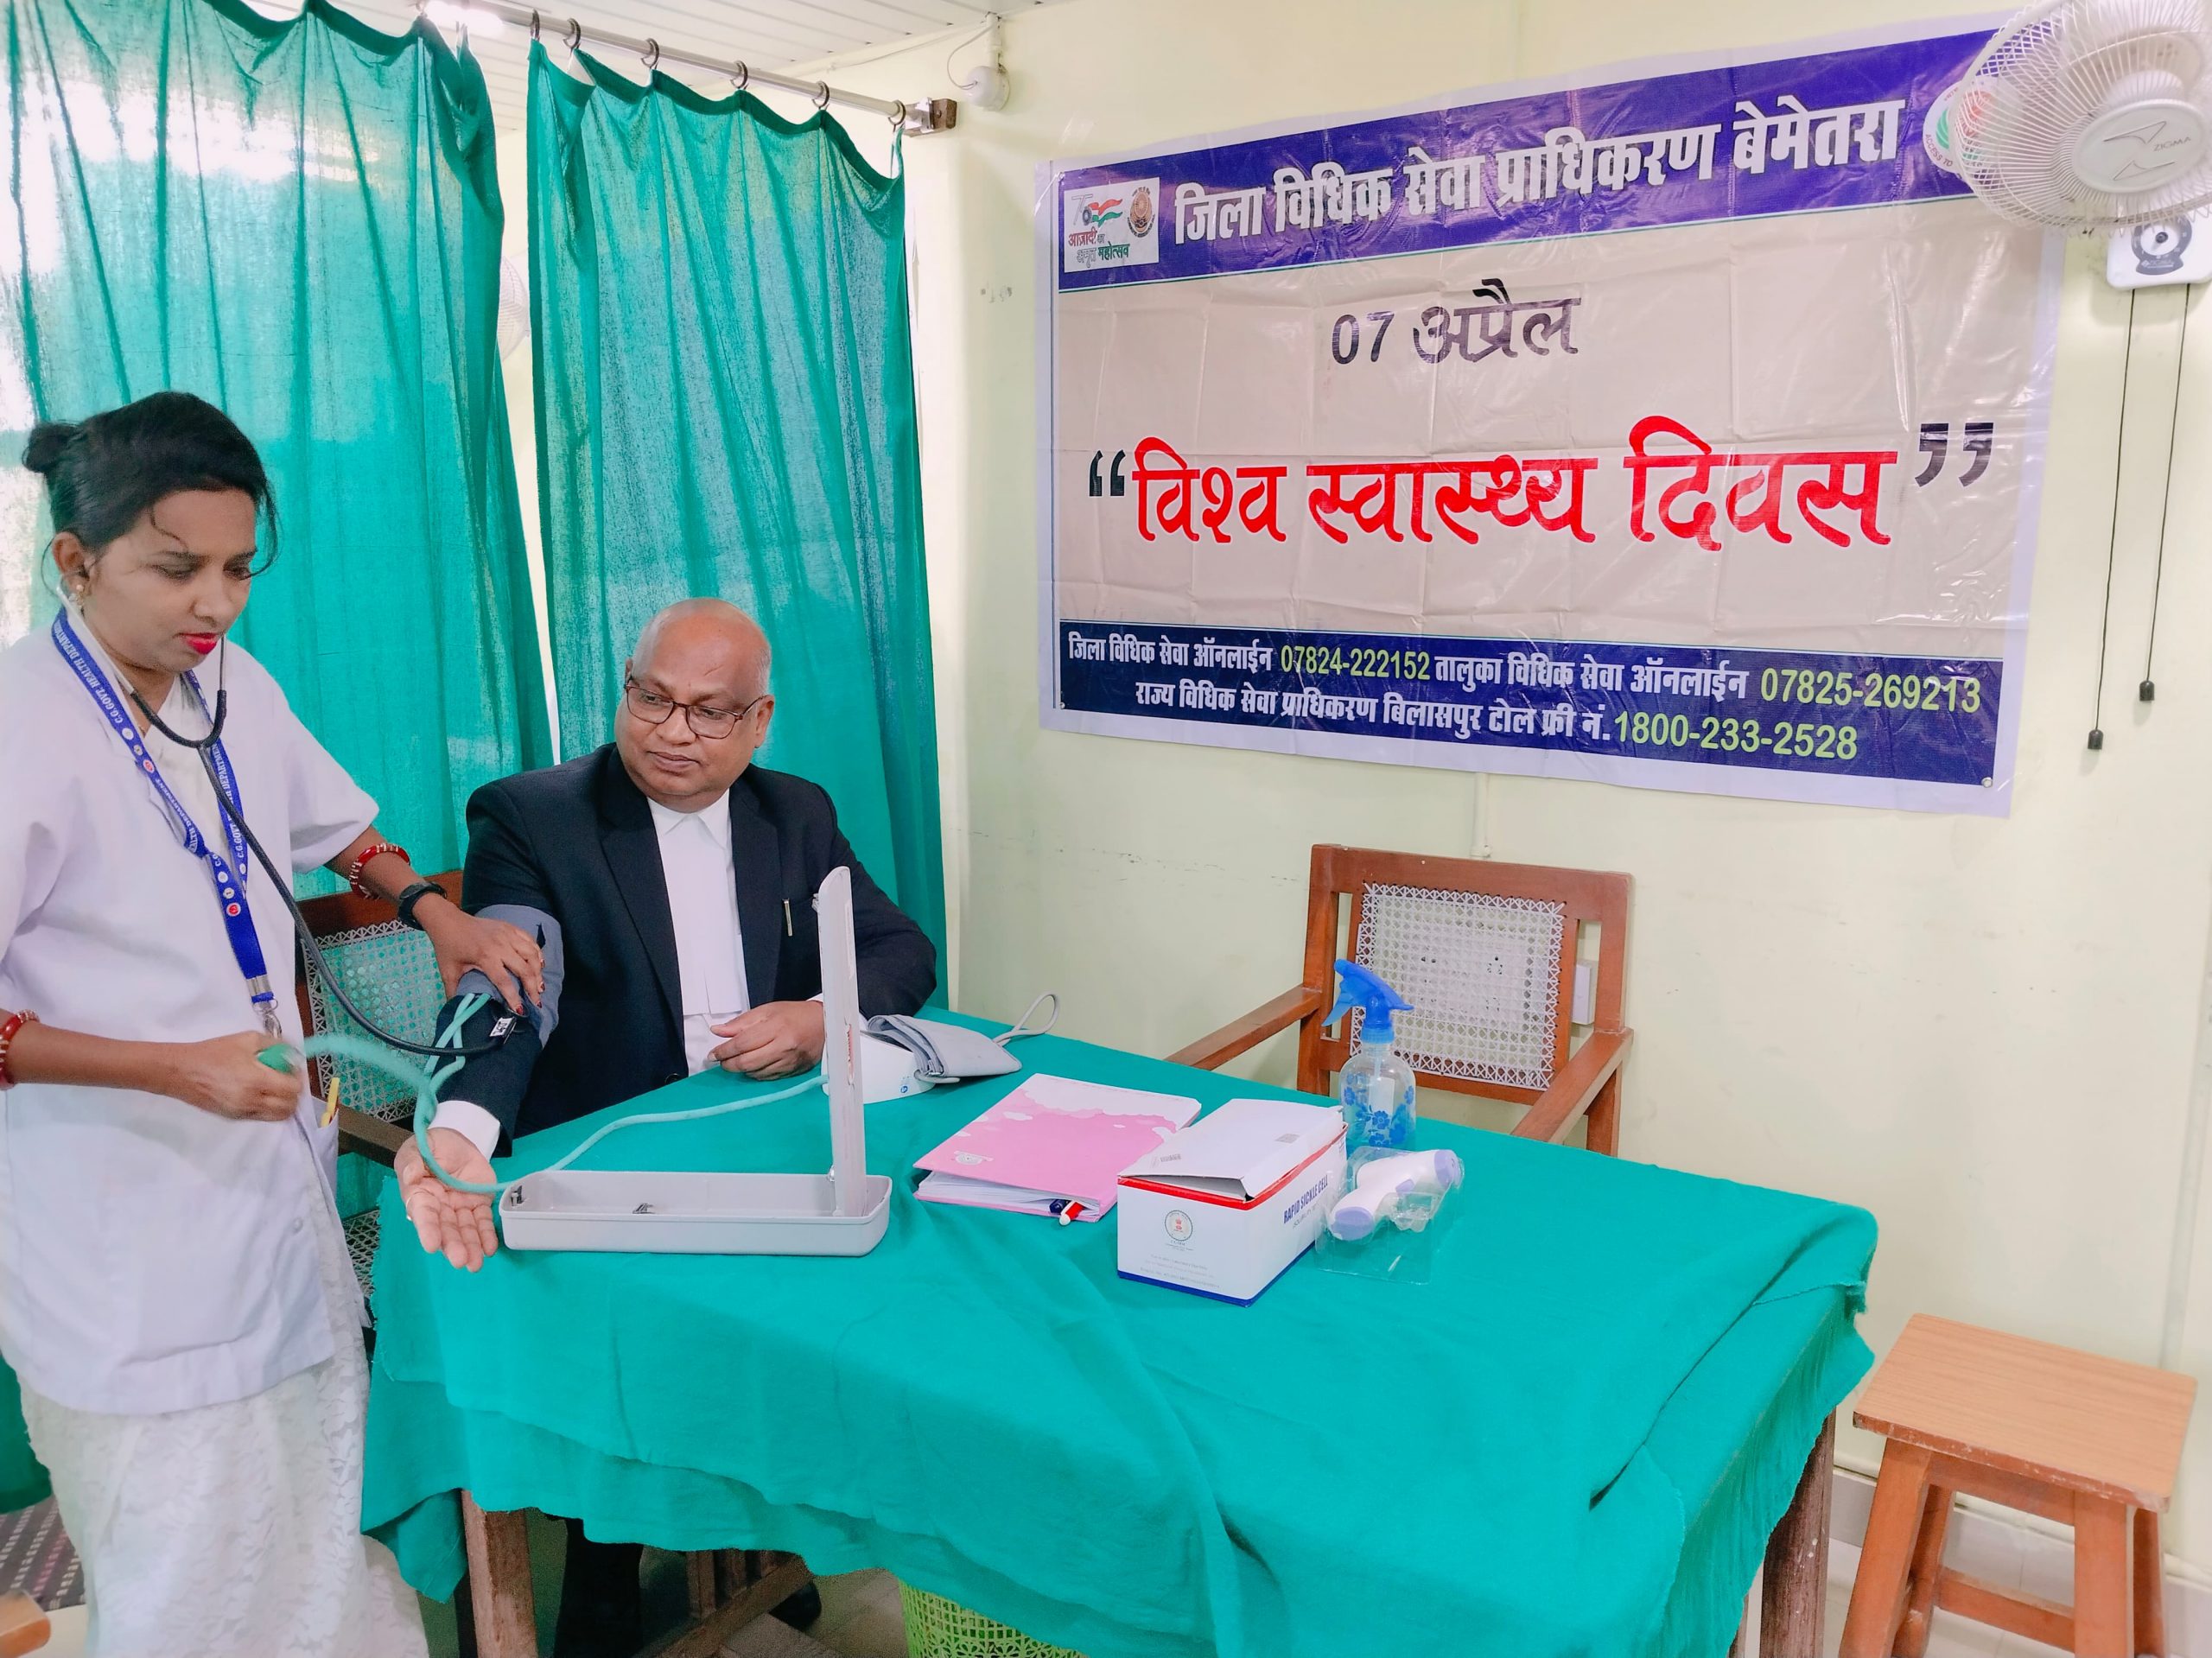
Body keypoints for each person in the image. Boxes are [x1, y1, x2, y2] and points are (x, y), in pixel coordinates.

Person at [0, 391, 543, 1656]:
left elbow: (335, 825)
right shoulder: (21, 727)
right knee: (183, 1553)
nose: (216, 603)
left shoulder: (228, 681)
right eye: (176, 568)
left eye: (239, 568)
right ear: (77, 559)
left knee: (318, 1524)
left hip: (269, 1185)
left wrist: (432, 911)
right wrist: (170, 1069)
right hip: (119, 1218)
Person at [396, 596, 936, 1656]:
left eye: (709, 710)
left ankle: (754, 1534)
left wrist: (816, 1015)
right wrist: (461, 1119)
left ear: (758, 720)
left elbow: (901, 950)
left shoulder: (796, 812)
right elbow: (511, 975)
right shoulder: (533, 814)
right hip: (612, 1145)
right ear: (624, 689)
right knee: (633, 1354)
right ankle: (605, 1561)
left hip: (758, 1127)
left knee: (810, 1321)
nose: (673, 731)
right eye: (652, 698)